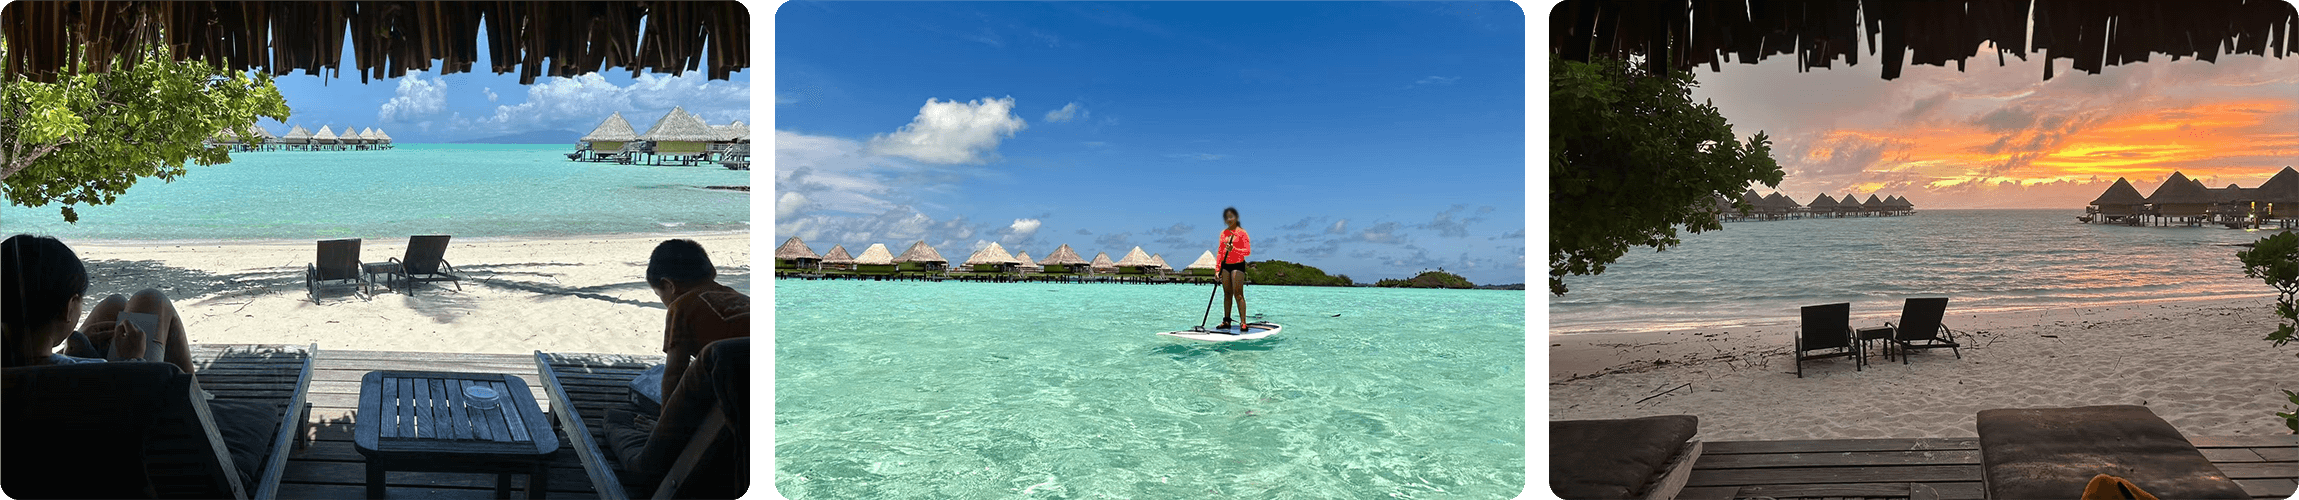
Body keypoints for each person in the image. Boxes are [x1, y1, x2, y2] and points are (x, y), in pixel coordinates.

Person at [0, 234, 196, 374]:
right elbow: (136, 401)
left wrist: (69, 349)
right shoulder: (87, 376)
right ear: (67, 309)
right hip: (125, 402)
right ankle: (196, 394)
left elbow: (34, 364)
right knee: (152, 298)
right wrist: (134, 360)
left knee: (114, 304)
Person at [645, 239, 750, 402]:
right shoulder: (740, 298)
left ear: (669, 286)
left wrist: (663, 424)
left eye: (659, 295)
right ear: (712, 271)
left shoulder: (681, 307)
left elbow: (674, 375)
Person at [1214, 207, 1253, 331]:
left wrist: (1234, 249)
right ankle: (1226, 320)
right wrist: (1217, 269)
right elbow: (1220, 252)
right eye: (1226, 218)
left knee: (1238, 294)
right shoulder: (1223, 234)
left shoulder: (1242, 233)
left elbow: (1247, 251)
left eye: (1231, 217)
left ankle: (1243, 322)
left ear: (1236, 218)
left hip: (1238, 265)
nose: (1229, 219)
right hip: (1225, 266)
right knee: (1227, 293)